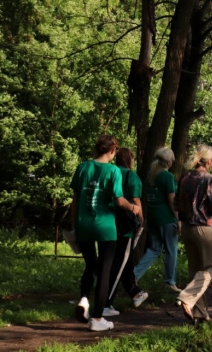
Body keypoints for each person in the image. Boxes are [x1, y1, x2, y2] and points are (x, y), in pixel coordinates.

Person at [71, 135, 142, 332]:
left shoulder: (83, 167)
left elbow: (75, 200)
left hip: (83, 224)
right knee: (104, 272)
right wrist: (133, 208)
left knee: (89, 265)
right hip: (105, 226)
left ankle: (84, 299)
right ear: (112, 151)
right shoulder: (113, 171)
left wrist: (73, 225)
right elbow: (119, 200)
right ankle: (98, 318)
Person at [176, 144, 212, 324]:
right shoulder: (210, 179)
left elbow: (177, 203)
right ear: (210, 161)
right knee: (211, 267)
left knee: (195, 270)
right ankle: (187, 297)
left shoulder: (184, 178)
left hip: (187, 227)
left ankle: (200, 314)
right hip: (205, 227)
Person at [105, 148, 149, 315]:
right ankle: (106, 302)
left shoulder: (110, 172)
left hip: (108, 222)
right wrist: (141, 221)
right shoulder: (131, 176)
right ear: (130, 160)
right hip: (125, 226)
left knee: (123, 261)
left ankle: (134, 292)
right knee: (119, 263)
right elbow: (136, 202)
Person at [133, 147, 180, 291]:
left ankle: (134, 275)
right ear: (169, 161)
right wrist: (178, 219)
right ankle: (170, 282)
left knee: (154, 249)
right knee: (171, 250)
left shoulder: (151, 176)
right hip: (166, 218)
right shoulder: (167, 177)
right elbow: (171, 200)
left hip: (153, 217)